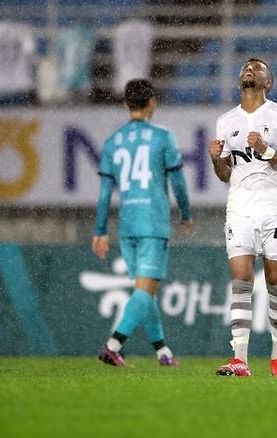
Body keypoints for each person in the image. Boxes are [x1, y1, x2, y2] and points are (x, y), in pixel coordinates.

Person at [208, 58, 277, 377]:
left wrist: (266, 152)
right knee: (241, 280)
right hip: (240, 207)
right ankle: (239, 358)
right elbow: (225, 173)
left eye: (257, 67)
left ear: (268, 82)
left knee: (275, 283)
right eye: (245, 66)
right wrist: (214, 161)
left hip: (275, 206)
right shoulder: (226, 121)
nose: (249, 68)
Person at [93, 78, 193, 367]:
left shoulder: (113, 141)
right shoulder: (162, 137)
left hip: (127, 226)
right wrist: (185, 214)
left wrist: (100, 230)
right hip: (153, 223)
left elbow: (103, 193)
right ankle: (113, 345)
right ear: (152, 102)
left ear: (126, 105)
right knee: (144, 290)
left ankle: (162, 351)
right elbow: (178, 182)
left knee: (145, 291)